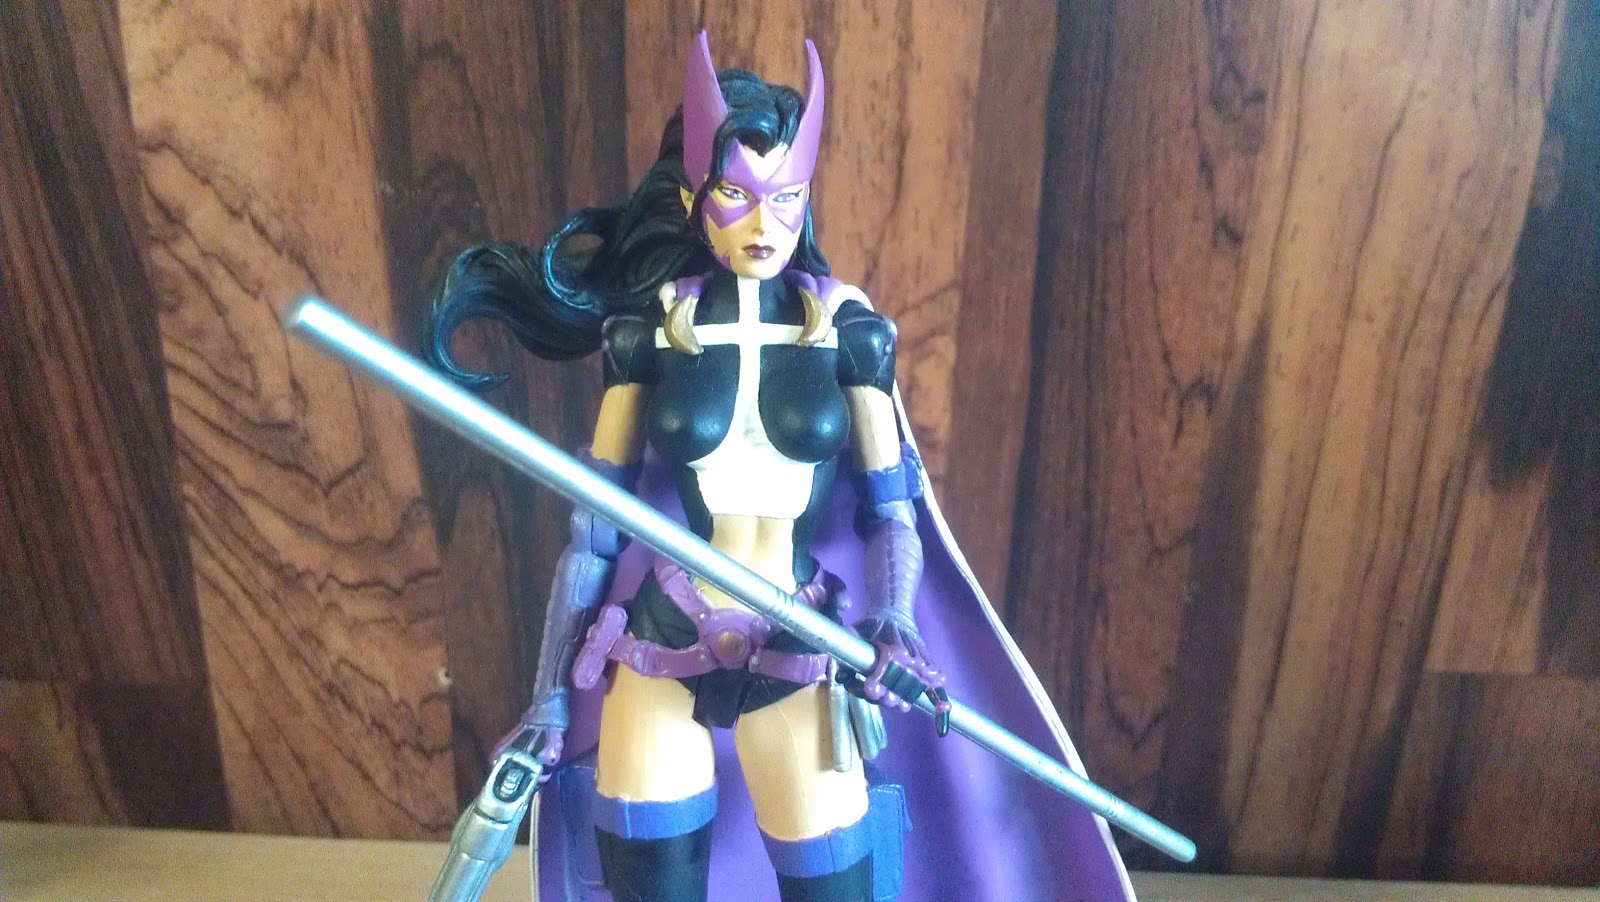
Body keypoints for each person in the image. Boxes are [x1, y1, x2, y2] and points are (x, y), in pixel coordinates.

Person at [425, 31, 1133, 902]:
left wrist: (895, 621)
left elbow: (891, 512)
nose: (765, 226)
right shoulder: (650, 334)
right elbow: (594, 532)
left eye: (786, 197)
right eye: (737, 195)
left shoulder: (847, 333)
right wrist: (546, 701)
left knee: (835, 882)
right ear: (694, 197)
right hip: (664, 633)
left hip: (800, 640)